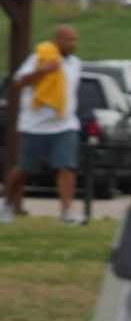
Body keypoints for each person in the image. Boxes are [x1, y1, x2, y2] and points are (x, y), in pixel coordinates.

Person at [4, 24, 82, 222]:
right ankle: (7, 204)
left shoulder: (75, 63)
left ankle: (67, 212)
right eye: (69, 40)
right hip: (36, 125)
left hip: (65, 124)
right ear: (57, 40)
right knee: (24, 168)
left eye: (75, 40)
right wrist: (41, 70)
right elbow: (19, 81)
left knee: (66, 166)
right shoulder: (39, 57)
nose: (73, 44)